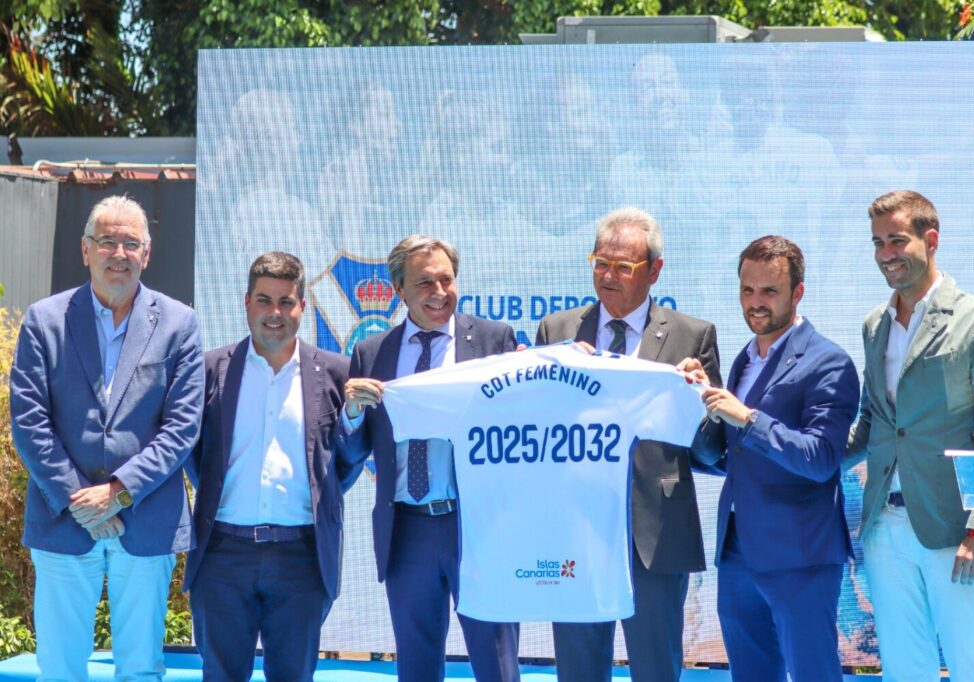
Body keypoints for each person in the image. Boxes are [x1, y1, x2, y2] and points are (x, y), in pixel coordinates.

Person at [9, 194, 204, 681]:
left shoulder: (180, 324)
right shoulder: (44, 320)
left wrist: (118, 492)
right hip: (63, 518)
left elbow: (183, 426)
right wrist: (81, 501)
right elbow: (29, 419)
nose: (119, 253)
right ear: (85, 250)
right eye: (108, 241)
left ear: (147, 253)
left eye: (130, 243)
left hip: (145, 518)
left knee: (140, 669)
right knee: (60, 670)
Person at [535, 206, 722, 682]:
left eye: (623, 267)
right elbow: (536, 429)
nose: (608, 276)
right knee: (577, 669)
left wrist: (699, 402)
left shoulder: (691, 335)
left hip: (655, 532)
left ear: (655, 270)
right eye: (601, 262)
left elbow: (709, 451)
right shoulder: (557, 332)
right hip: (576, 528)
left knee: (656, 667)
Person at [847, 190, 974, 681]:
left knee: (972, 668)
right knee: (905, 671)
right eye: (878, 243)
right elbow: (874, 424)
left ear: (931, 239)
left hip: (955, 533)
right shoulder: (873, 325)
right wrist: (795, 453)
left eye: (897, 240)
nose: (886, 254)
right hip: (885, 529)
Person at [339, 235, 521, 682]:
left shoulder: (496, 340)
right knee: (417, 669)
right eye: (425, 283)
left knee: (497, 666)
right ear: (399, 290)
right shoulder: (371, 352)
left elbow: (520, 429)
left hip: (477, 526)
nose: (440, 292)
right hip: (408, 530)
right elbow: (351, 450)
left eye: (446, 279)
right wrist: (351, 413)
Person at [684, 235, 859, 682]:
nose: (755, 302)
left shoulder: (829, 363)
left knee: (812, 674)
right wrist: (694, 399)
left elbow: (820, 458)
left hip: (799, 555)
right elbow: (730, 455)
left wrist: (748, 417)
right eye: (747, 290)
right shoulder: (745, 359)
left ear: (798, 293)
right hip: (738, 549)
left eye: (769, 291)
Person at [184, 252, 356, 681]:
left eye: (286, 301)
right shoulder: (209, 369)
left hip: (301, 557)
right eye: (264, 300)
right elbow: (192, 454)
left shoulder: (337, 374)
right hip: (223, 555)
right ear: (246, 303)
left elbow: (344, 463)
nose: (274, 313)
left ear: (301, 306)